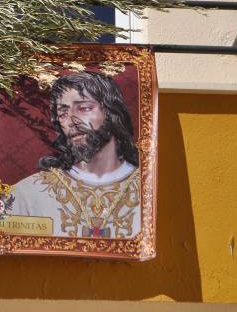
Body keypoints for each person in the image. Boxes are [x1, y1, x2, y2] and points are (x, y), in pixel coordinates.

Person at [13, 71, 141, 238]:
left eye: (84, 108)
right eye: (62, 113)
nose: (71, 121)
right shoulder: (28, 194)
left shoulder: (149, 189)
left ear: (112, 113)